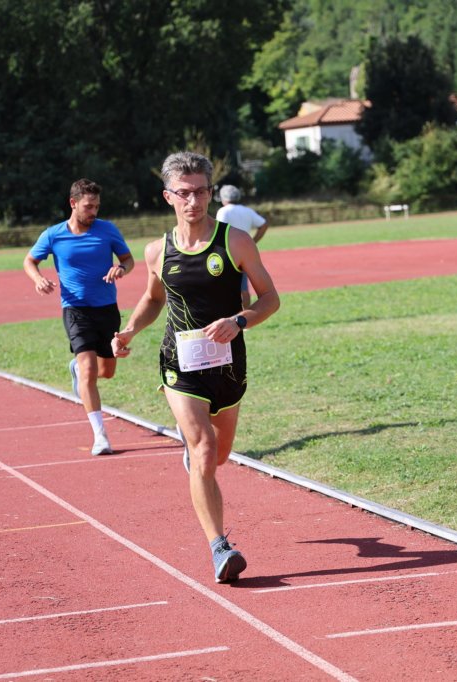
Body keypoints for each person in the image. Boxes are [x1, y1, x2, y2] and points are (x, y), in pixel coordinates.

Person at [111, 152, 280, 583]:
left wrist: (238, 321)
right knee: (204, 445)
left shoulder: (235, 241)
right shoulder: (157, 251)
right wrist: (129, 330)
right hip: (179, 364)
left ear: (210, 192)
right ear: (168, 196)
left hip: (228, 365)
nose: (194, 201)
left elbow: (270, 299)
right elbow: (154, 298)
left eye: (201, 191)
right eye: (184, 193)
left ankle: (195, 453)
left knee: (218, 455)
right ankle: (220, 547)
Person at [24, 179, 135, 456]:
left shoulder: (107, 230)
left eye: (97, 206)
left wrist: (121, 268)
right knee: (89, 371)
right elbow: (29, 261)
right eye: (88, 206)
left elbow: (128, 259)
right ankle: (100, 436)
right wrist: (38, 279)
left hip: (107, 309)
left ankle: (75, 368)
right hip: (75, 310)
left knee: (106, 372)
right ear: (73, 203)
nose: (93, 211)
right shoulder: (53, 235)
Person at [216, 185, 269, 309]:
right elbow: (264, 224)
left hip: (227, 253)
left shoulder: (223, 211)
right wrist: (252, 242)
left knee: (222, 286)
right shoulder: (247, 211)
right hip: (243, 253)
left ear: (223, 198)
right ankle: (245, 315)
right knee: (243, 288)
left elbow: (219, 230)